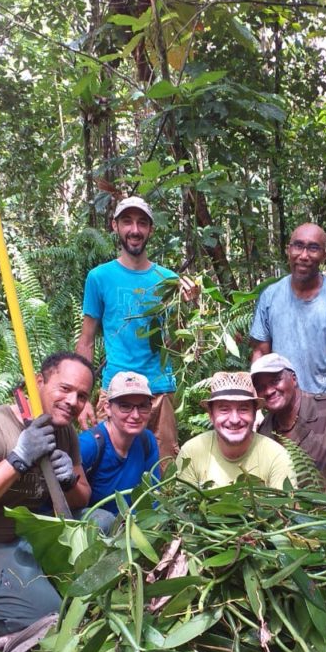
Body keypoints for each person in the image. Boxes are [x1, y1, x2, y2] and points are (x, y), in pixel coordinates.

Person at [76, 195, 199, 465]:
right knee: (107, 470)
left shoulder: (167, 280)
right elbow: (86, 341)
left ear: (150, 230)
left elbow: (175, 346)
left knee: (163, 475)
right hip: (116, 391)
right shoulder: (99, 277)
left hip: (159, 391)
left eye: (142, 223)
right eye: (128, 222)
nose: (135, 229)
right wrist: (81, 397)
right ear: (115, 226)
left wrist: (188, 310)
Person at [0, 352, 95, 638]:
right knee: (50, 619)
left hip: (28, 536)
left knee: (103, 520)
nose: (73, 402)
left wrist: (69, 481)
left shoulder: (65, 431)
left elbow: (82, 498)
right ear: (39, 382)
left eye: (82, 396)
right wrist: (17, 459)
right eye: (65, 389)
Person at [249, 223, 326, 395]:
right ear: (289, 250)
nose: (304, 255)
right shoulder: (270, 296)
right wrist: (258, 402)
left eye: (313, 248)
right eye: (298, 246)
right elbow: (260, 352)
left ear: (324, 254)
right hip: (283, 400)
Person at [251, 353, 326, 478]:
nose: (268, 391)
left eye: (275, 381)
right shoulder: (264, 432)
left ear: (294, 379)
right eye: (261, 387)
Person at [176, 371, 296, 489]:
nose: (234, 419)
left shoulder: (276, 457)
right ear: (211, 416)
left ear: (254, 414)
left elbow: (284, 506)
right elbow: (182, 506)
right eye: (224, 409)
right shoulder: (192, 453)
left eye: (243, 409)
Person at [79, 371, 160, 515]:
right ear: (107, 408)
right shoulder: (89, 445)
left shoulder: (147, 441)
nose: (135, 415)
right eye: (125, 406)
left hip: (132, 527)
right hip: (92, 529)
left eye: (143, 406)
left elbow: (153, 497)